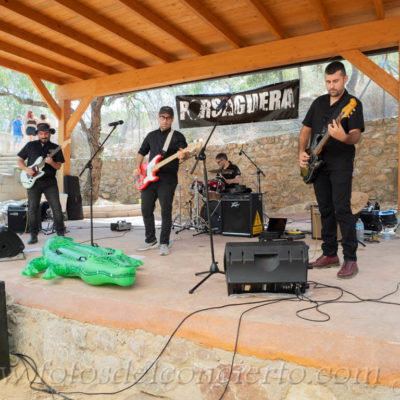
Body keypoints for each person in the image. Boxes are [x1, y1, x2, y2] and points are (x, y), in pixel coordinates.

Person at [298, 61, 364, 279]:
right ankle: (329, 254)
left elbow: (355, 134)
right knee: (325, 208)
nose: (331, 85)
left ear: (345, 79)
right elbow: (306, 130)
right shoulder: (318, 103)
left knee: (342, 208)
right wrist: (301, 152)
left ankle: (350, 259)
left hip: (341, 163)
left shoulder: (352, 104)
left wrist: (343, 137)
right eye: (328, 81)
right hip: (318, 163)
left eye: (335, 81)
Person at [133, 106, 188, 256]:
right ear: (158, 118)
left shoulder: (177, 136)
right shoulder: (151, 136)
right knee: (145, 209)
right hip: (149, 178)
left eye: (168, 118)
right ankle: (150, 239)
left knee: (165, 211)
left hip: (167, 179)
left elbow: (185, 153)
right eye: (162, 117)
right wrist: (138, 168)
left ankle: (164, 242)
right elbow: (141, 153)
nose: (165, 120)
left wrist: (184, 155)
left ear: (172, 119)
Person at [17, 122, 65, 244]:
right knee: (33, 208)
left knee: (56, 208)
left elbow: (58, 166)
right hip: (33, 183)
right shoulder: (30, 145)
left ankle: (60, 233)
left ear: (50, 134)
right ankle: (34, 234)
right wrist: (26, 169)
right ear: (38, 134)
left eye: (46, 133)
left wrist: (51, 163)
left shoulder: (56, 148)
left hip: (50, 182)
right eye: (41, 133)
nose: (44, 136)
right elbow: (20, 160)